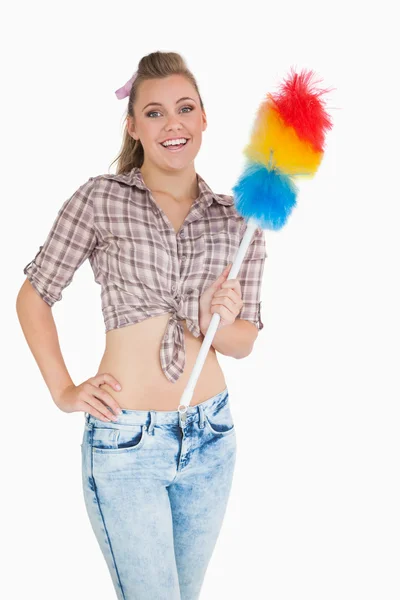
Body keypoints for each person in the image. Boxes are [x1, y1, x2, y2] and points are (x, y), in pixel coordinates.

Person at [16, 51, 267, 600]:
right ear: (133, 126)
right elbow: (34, 297)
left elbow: (244, 339)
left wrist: (212, 319)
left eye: (185, 108)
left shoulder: (240, 218)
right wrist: (63, 390)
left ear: (204, 118)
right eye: (154, 113)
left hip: (212, 437)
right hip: (126, 441)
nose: (172, 123)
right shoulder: (100, 199)